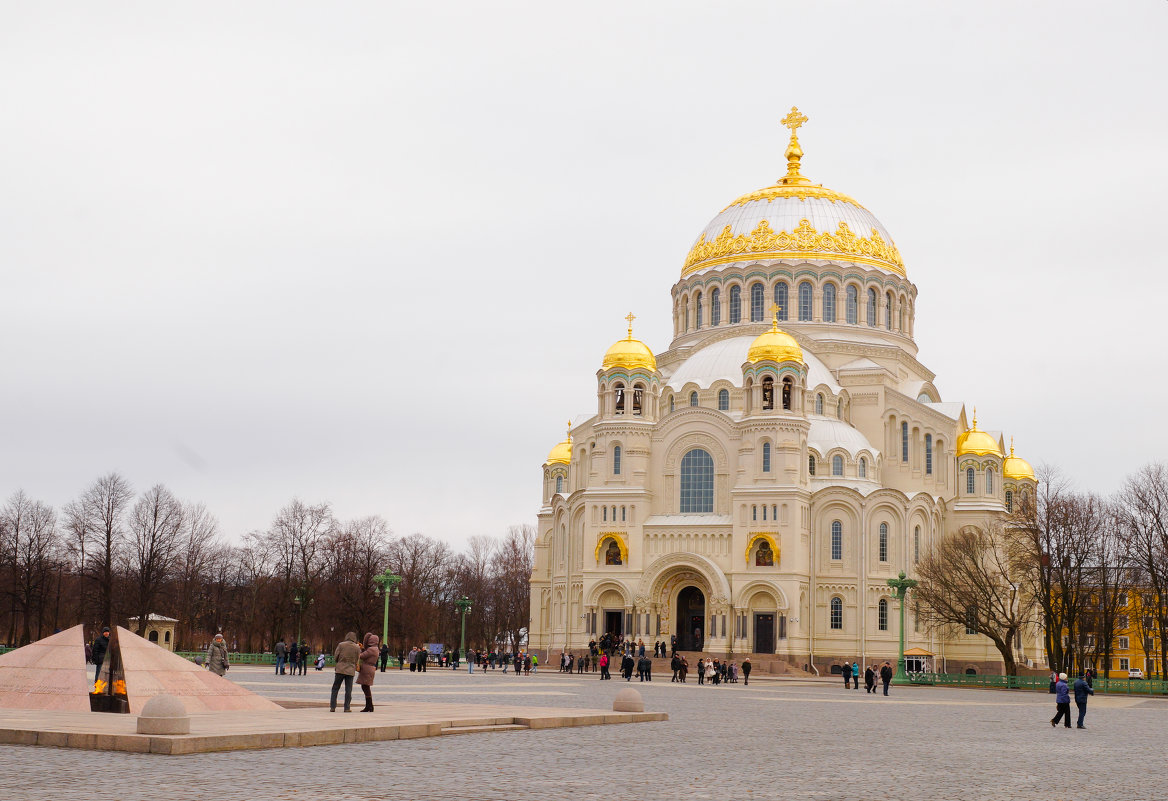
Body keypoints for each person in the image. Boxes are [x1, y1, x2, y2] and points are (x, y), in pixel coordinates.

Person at [330, 632, 361, 712]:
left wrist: (339, 662)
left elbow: (336, 656)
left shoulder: (341, 645)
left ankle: (332, 706)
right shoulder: (357, 647)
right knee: (348, 689)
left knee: (335, 688)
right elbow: (358, 658)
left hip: (340, 669)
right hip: (350, 670)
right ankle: (347, 707)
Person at [357, 632, 379, 712]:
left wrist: (359, 649)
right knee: (366, 686)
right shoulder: (375, 649)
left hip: (367, 669)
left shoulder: (371, 649)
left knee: (365, 687)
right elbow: (366, 654)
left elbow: (361, 656)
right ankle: (369, 705)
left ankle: (369, 705)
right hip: (370, 668)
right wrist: (363, 648)